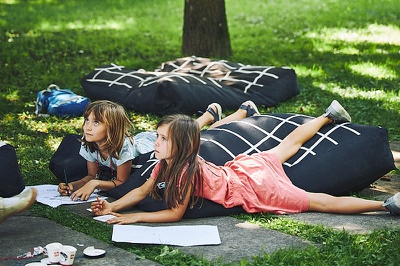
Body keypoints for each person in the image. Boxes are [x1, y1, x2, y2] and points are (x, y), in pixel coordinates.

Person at [91, 100, 400, 223]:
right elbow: (142, 191)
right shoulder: (167, 163)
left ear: (180, 146)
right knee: (288, 145)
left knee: (318, 202)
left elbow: (175, 213)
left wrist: (134, 218)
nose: (155, 144)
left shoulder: (184, 171)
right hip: (243, 169)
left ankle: (385, 205)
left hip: (256, 188)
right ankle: (327, 115)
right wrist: (112, 207)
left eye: (161, 139)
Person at [58, 99, 259, 201]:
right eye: (87, 120)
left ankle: (238, 113)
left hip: (151, 145)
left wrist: (94, 184)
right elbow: (90, 176)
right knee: (187, 133)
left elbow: (121, 181)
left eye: (95, 122)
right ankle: (210, 115)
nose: (87, 126)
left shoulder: (122, 148)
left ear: (111, 128)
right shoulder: (90, 144)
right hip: (153, 142)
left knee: (186, 135)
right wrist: (72, 185)